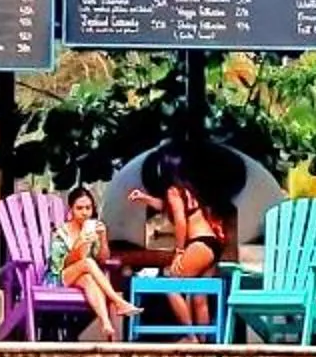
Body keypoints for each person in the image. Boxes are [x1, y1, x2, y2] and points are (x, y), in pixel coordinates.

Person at [128, 147, 229, 328]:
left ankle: (190, 336)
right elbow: (167, 207)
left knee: (171, 283)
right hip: (212, 244)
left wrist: (179, 251)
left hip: (199, 243)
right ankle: (203, 340)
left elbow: (181, 221)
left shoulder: (173, 190)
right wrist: (144, 198)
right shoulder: (187, 188)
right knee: (199, 295)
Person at [46, 185, 135, 343]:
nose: (84, 212)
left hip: (81, 277)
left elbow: (103, 258)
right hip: (58, 278)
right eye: (79, 208)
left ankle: (106, 324)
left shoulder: (91, 229)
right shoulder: (61, 233)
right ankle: (118, 301)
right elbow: (59, 265)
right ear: (71, 210)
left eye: (88, 208)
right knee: (87, 263)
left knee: (88, 278)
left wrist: (103, 238)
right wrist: (79, 243)